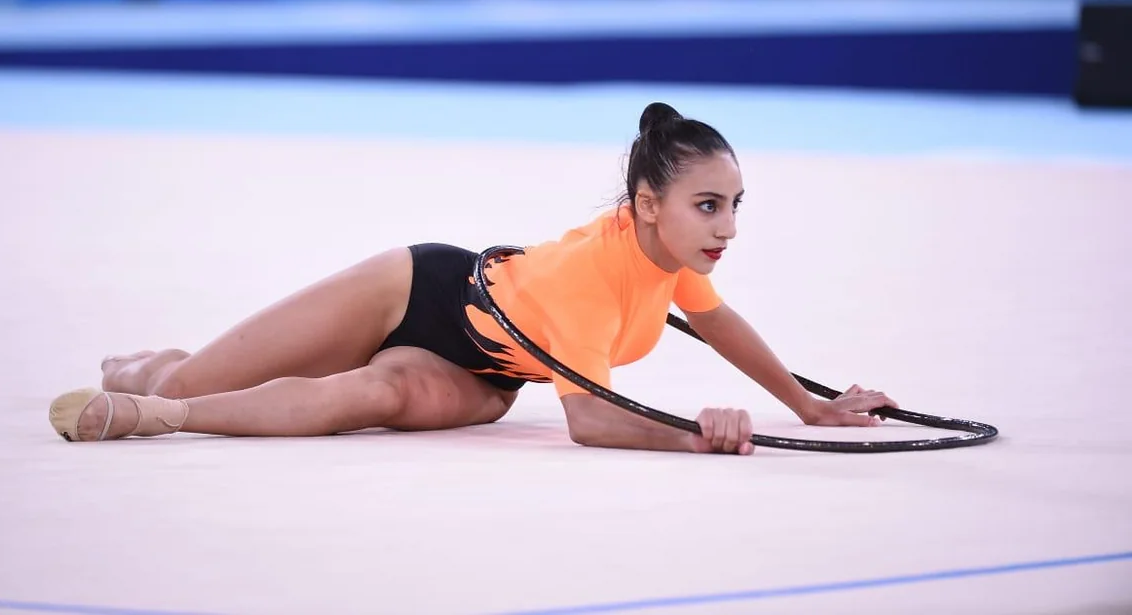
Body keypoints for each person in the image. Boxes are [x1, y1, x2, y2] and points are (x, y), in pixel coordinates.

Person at [48, 102, 897, 454]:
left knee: (368, 396)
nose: (728, 227)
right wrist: (695, 436)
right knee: (192, 373)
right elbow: (591, 419)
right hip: (418, 289)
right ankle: (154, 374)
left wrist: (807, 404)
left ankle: (167, 417)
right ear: (647, 204)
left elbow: (719, 325)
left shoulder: (673, 259)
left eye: (735, 204)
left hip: (484, 374)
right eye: (709, 206)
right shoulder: (592, 275)